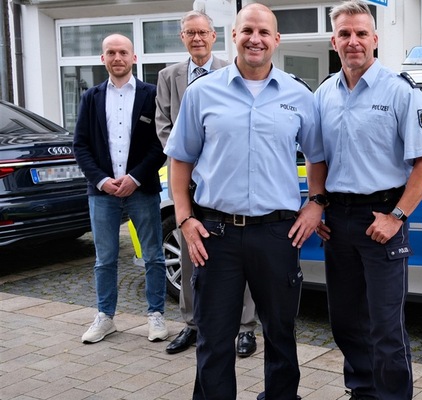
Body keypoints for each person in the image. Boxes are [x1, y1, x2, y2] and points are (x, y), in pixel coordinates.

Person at [164, 4, 325, 399]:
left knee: (281, 336)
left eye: (264, 32)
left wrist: (316, 202)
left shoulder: (298, 94)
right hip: (215, 233)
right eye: (248, 30)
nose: (256, 39)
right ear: (233, 34)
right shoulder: (203, 92)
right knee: (214, 339)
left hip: (276, 232)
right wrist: (184, 218)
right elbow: (180, 158)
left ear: (276, 40)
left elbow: (317, 157)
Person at [313, 1, 422, 398]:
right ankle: (362, 390)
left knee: (386, 327)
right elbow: (317, 157)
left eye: (361, 34)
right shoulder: (323, 94)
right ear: (334, 41)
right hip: (337, 221)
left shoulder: (400, 90)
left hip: (381, 218)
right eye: (345, 34)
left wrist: (397, 216)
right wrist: (317, 201)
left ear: (375, 39)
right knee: (346, 322)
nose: (353, 42)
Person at [155, 10, 258, 358]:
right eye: (190, 33)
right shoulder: (169, 76)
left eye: (202, 32)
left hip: (225, 179)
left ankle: (245, 328)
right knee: (189, 251)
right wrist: (190, 157)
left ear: (215, 36)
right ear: (182, 37)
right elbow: (165, 126)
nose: (197, 38)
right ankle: (193, 323)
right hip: (188, 180)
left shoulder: (236, 70)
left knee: (240, 252)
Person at [73, 33, 168, 344]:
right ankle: (105, 316)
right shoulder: (91, 98)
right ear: (103, 59)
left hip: (141, 189)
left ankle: (156, 315)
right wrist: (101, 180)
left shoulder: (151, 94)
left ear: (134, 57)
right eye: (111, 52)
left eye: (123, 52)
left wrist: (134, 178)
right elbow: (81, 145)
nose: (117, 57)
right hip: (102, 192)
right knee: (105, 258)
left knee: (153, 255)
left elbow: (160, 144)